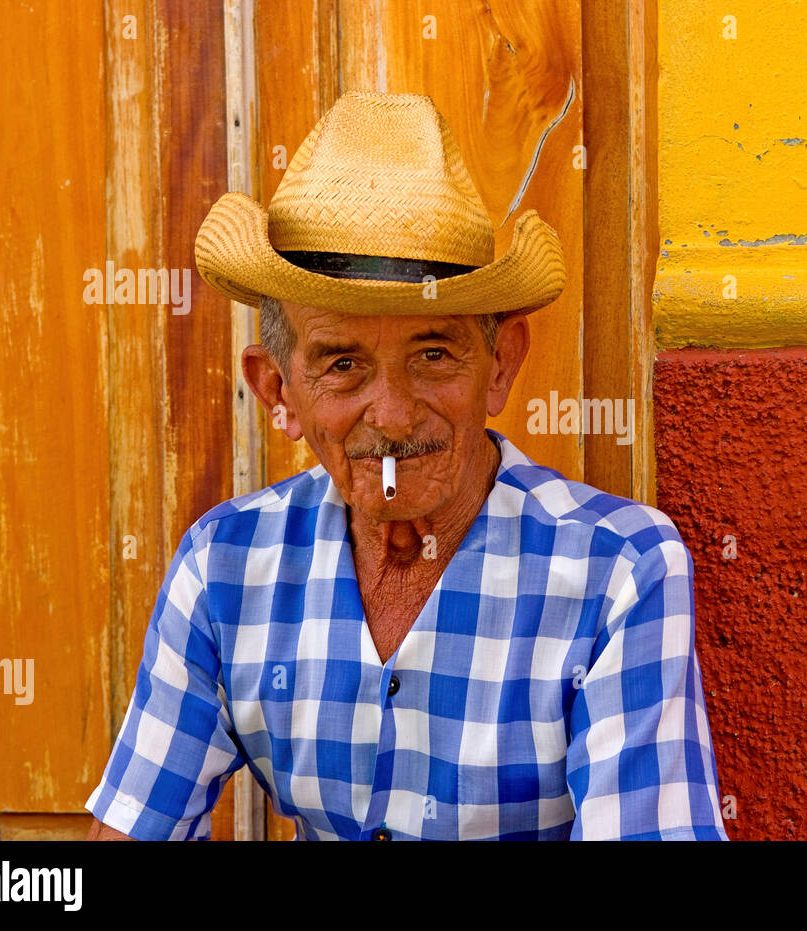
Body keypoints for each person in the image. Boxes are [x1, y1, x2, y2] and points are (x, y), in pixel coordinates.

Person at [85, 91, 727, 840]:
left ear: (500, 365)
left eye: (432, 354)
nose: (392, 414)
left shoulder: (617, 572)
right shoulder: (224, 568)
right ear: (277, 389)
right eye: (343, 363)